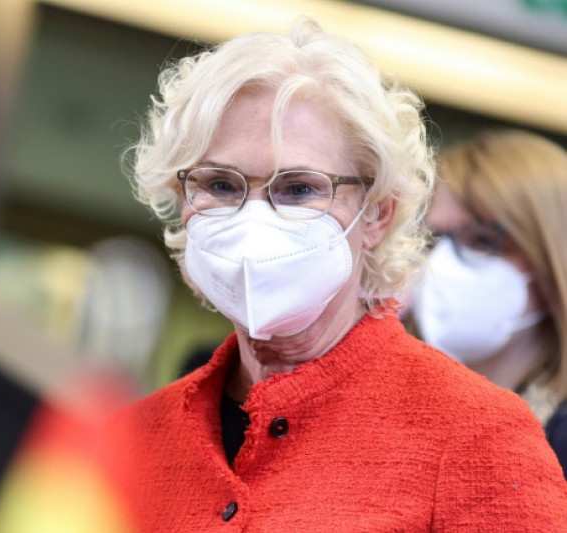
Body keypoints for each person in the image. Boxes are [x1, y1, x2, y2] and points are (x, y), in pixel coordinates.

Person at [104, 18, 567, 531]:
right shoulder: (128, 444)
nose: (254, 218)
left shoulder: (478, 436)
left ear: (377, 214)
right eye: (220, 184)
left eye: (299, 189)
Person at [410, 129, 567, 476]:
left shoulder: (559, 439)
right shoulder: (400, 407)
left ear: (552, 257)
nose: (443, 263)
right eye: (435, 238)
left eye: (481, 240)